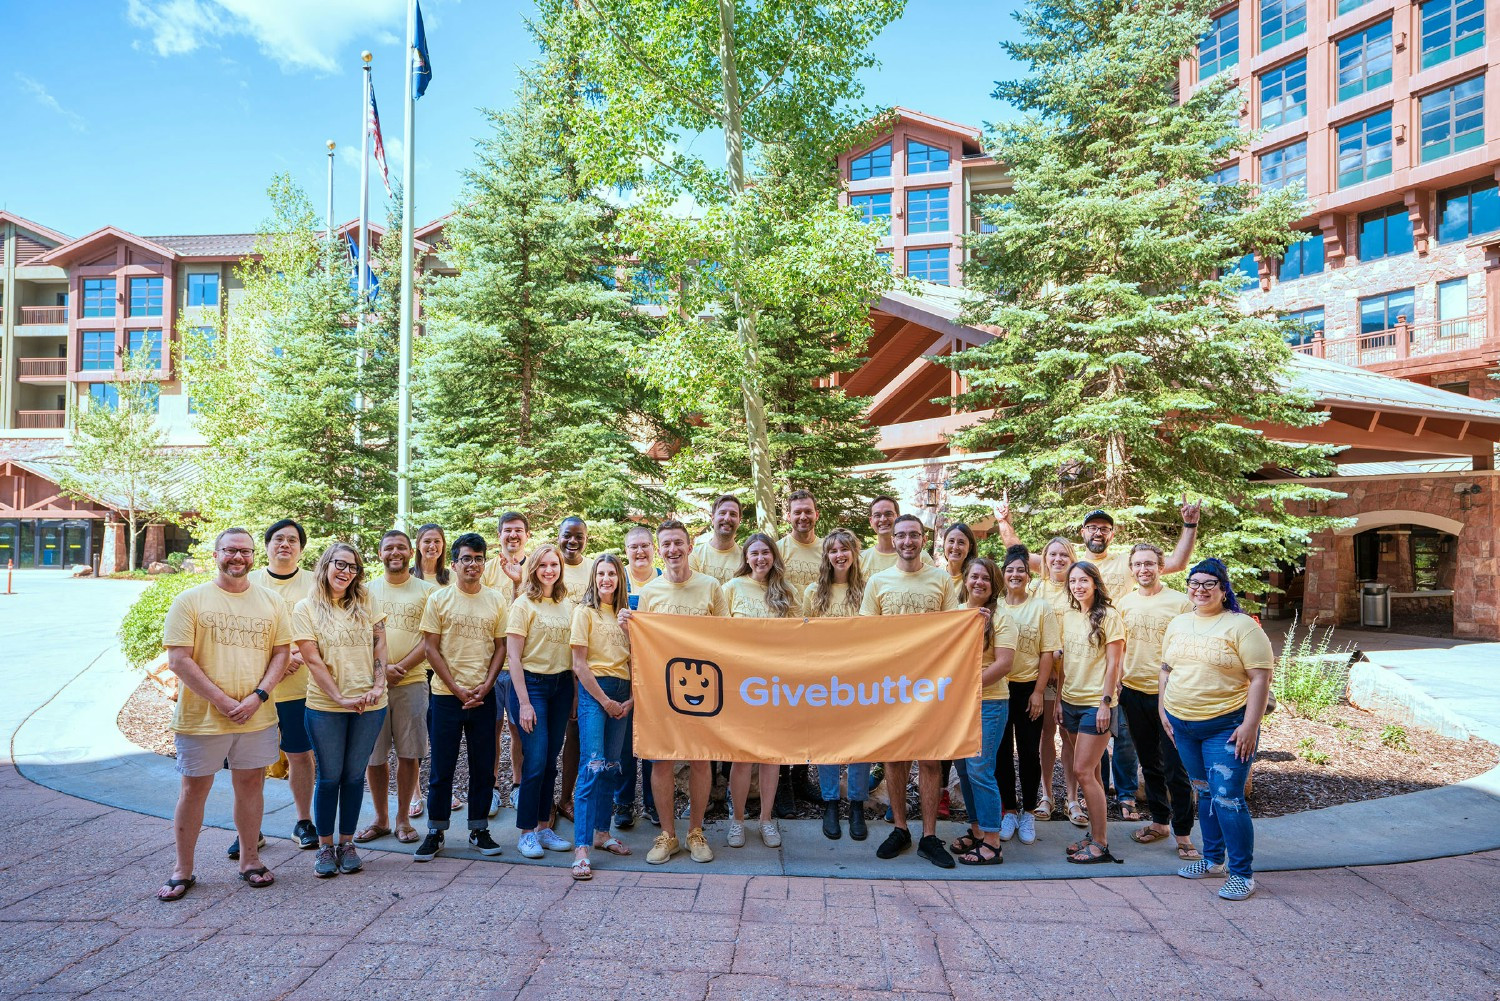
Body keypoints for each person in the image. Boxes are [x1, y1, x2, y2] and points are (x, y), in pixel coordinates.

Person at [157, 528, 292, 900]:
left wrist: (257, 697)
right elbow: (178, 659)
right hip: (201, 718)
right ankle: (183, 869)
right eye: (230, 550)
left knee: (251, 785)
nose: (238, 557)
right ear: (216, 553)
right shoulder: (190, 601)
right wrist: (221, 700)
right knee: (193, 790)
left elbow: (282, 653)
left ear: (254, 556)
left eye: (245, 551)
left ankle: (250, 860)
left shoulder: (271, 602)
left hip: (256, 715)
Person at [1161, 558, 1273, 900]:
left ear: (1224, 589)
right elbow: (1165, 670)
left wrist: (1251, 725)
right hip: (1182, 725)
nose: (1200, 589)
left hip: (1226, 727)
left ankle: (1242, 874)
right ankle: (1212, 861)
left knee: (1228, 798)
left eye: (1209, 583)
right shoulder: (1178, 624)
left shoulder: (1242, 626)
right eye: (1194, 583)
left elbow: (1260, 677)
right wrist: (1163, 712)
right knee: (1204, 792)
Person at [619, 519, 726, 865]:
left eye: (678, 543)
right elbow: (642, 645)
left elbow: (728, 635)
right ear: (659, 550)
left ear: (690, 545)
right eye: (666, 544)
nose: (672, 550)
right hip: (662, 689)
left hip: (703, 688)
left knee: (700, 758)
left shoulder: (710, 587)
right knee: (660, 760)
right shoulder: (650, 591)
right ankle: (668, 834)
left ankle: (696, 831)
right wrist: (628, 628)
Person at [860, 513, 960, 869]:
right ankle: (900, 827)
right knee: (895, 755)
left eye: (913, 535)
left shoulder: (941, 580)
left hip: (931, 684)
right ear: (894, 538)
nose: (906, 542)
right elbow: (865, 634)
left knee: (930, 758)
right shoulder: (878, 581)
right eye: (900, 536)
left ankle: (930, 836)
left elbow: (954, 631)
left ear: (923, 538)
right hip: (891, 685)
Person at [292, 543, 389, 878]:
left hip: (370, 704)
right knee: (329, 776)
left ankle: (347, 843)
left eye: (353, 567)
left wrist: (378, 685)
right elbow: (312, 660)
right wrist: (339, 698)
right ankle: (324, 846)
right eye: (340, 564)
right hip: (325, 706)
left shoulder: (365, 601)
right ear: (326, 565)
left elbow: (380, 644)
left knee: (353, 776)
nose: (345, 572)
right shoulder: (306, 608)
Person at [413, 533, 507, 862]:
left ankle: (478, 829)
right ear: (454, 564)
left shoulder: (496, 600)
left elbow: (501, 647)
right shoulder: (439, 600)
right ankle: (436, 831)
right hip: (445, 696)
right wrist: (455, 687)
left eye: (479, 559)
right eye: (466, 559)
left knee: (483, 767)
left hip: (483, 696)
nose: (473, 565)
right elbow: (430, 647)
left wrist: (486, 684)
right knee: (442, 767)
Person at [1118, 544, 1199, 861]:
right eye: (1137, 564)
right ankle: (1159, 823)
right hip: (1133, 691)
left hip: (1171, 696)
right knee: (1149, 763)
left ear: (1161, 566)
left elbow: (1190, 647)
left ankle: (1183, 834)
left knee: (1175, 768)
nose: (1143, 570)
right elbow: (1120, 648)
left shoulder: (1180, 603)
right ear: (1131, 568)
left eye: (1149, 564)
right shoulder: (1124, 603)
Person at [723, 533, 803, 849]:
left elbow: (800, 637)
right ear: (746, 558)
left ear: (774, 556)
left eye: (765, 553)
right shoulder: (730, 589)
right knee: (742, 756)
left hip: (776, 685)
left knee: (771, 755)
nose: (760, 558)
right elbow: (716, 635)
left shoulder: (788, 591)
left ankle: (766, 820)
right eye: (754, 553)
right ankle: (738, 820)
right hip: (742, 685)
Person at [245, 519, 317, 854]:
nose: (284, 545)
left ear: (301, 548)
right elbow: (242, 634)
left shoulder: (315, 585)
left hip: (299, 689)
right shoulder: (250, 582)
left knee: (300, 755)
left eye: (291, 540)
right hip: (257, 689)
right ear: (267, 545)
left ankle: (303, 822)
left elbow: (323, 630)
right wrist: (273, 664)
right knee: (252, 761)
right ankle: (250, 829)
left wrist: (295, 657)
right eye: (278, 539)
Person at [358, 529, 434, 846]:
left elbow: (431, 639)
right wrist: (382, 669)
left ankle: (403, 818)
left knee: (408, 753)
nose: (395, 552)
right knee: (374, 755)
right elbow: (357, 636)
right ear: (380, 553)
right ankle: (381, 819)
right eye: (389, 548)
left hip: (413, 681)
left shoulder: (428, 591)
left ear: (410, 551)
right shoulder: (364, 591)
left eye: (401, 547)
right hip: (372, 685)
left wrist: (401, 667)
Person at [506, 543, 579, 859]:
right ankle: (526, 833)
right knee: (534, 761)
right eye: (543, 565)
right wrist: (523, 702)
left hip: (561, 686)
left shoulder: (567, 604)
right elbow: (513, 656)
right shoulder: (523, 605)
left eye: (554, 564)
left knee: (551, 759)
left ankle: (543, 828)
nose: (549, 570)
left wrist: (575, 695)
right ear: (534, 568)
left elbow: (574, 655)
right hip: (531, 687)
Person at [993, 496, 1203, 601]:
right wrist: (1003, 520)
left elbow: (1177, 563)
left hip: (1116, 648)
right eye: (1092, 527)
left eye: (1104, 528)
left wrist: (1190, 525)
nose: (1098, 532)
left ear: (1112, 535)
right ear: (1082, 532)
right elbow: (1018, 552)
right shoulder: (1066, 562)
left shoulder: (1127, 563)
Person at [569, 554, 635, 879]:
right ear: (594, 578)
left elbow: (639, 660)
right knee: (592, 766)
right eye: (601, 573)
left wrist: (631, 699)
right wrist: (606, 701)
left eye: (612, 574)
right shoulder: (585, 612)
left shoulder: (626, 616)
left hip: (623, 694)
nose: (606, 579)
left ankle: (602, 833)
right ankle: (581, 846)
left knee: (611, 767)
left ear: (620, 579)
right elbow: (579, 665)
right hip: (596, 693)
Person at [951, 557, 1018, 866]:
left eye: (986, 579)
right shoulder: (956, 614)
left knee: (981, 769)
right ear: (966, 578)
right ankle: (977, 830)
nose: (978, 582)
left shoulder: (1003, 618)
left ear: (994, 586)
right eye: (974, 576)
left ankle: (992, 841)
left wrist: (969, 688)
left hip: (989, 703)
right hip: (957, 704)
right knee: (964, 770)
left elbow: (1004, 664)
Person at [1059, 561, 1125, 864]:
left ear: (1095, 583)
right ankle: (1095, 834)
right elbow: (1065, 661)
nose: (1078, 586)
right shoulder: (1069, 616)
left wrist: (1105, 702)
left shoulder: (1109, 617)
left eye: (1083, 580)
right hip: (1070, 702)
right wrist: (1059, 699)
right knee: (1093, 773)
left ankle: (1101, 843)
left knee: (1082, 771)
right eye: (1073, 581)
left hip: (1095, 705)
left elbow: (1114, 664)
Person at [806, 528, 870, 842]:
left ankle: (856, 803)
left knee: (860, 742)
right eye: (833, 550)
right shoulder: (813, 593)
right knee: (826, 741)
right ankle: (830, 802)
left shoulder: (868, 588)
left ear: (854, 553)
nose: (839, 555)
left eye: (845, 549)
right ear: (826, 556)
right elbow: (801, 638)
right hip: (823, 680)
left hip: (859, 680)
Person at [994, 545, 1059, 847]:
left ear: (1029, 575)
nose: (1016, 574)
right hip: (998, 689)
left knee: (1030, 752)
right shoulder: (995, 606)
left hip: (1029, 687)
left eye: (1021, 570)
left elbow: (1048, 653)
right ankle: (1009, 809)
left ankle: (1029, 811)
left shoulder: (1041, 607)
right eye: (1010, 570)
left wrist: (1037, 692)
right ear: (1003, 574)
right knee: (1001, 753)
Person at [482, 511, 531, 817]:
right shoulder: (487, 569)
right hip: (489, 664)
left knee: (517, 730)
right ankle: (489, 787)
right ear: (499, 535)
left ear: (527, 535)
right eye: (507, 531)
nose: (513, 536)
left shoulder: (538, 567)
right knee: (490, 729)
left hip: (520, 667)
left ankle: (517, 785)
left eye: (518, 531)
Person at [614, 525, 659, 829]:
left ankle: (655, 803)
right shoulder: (618, 580)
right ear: (626, 550)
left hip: (657, 673)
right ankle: (623, 803)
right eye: (634, 547)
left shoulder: (662, 578)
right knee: (625, 742)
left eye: (645, 545)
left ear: (653, 548)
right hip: (623, 672)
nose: (640, 551)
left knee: (655, 740)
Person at [408, 523, 451, 819]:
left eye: (437, 541)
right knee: (415, 734)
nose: (432, 546)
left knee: (440, 734)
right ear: (418, 546)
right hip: (416, 668)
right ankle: (414, 792)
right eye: (426, 541)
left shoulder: (451, 578)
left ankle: (440, 790)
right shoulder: (409, 578)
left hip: (445, 667)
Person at [1036, 536, 1078, 824]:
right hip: (1044, 673)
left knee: (1071, 736)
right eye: (1053, 554)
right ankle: (1047, 794)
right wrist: (1047, 664)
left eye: (1064, 554)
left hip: (1075, 674)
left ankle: (1074, 799)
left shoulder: (1078, 588)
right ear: (1045, 558)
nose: (1058, 559)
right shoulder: (1035, 588)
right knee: (1046, 734)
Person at [552, 517, 591, 825]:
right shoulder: (549, 564)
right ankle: (541, 804)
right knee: (543, 738)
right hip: (549, 660)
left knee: (574, 733)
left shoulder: (592, 569)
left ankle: (567, 798)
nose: (573, 541)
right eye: (568, 535)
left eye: (579, 536)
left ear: (586, 538)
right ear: (559, 536)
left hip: (582, 662)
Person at [860, 496, 934, 577]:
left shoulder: (921, 557)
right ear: (871, 521)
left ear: (898, 517)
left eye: (888, 514)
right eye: (877, 515)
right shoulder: (861, 559)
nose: (883, 519)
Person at [689, 494, 744, 584]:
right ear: (713, 518)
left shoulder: (747, 558)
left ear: (739, 521)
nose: (727, 518)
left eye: (733, 514)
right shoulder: (694, 556)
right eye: (722, 513)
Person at [777, 489, 823, 594]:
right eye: (797, 512)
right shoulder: (777, 550)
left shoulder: (829, 550)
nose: (803, 517)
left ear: (816, 515)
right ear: (789, 516)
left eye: (808, 512)